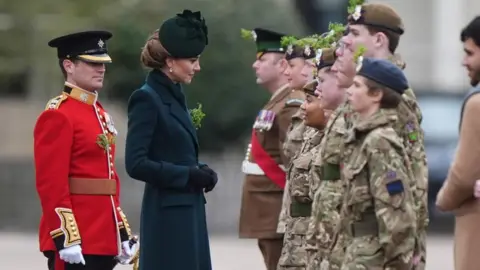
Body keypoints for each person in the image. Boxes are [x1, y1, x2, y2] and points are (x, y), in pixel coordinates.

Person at [34, 30, 137, 270]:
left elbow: (109, 178)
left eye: (103, 63)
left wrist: (120, 232)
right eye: (92, 63)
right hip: (77, 238)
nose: (101, 69)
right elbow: (51, 184)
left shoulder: (99, 113)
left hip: (102, 236)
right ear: (69, 65)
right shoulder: (58, 114)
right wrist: (66, 238)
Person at [124, 10, 216, 270]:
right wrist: (187, 175)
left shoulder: (173, 94)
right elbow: (136, 163)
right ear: (170, 61)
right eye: (192, 60)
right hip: (167, 215)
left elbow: (173, 151)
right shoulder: (147, 98)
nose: (197, 67)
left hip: (187, 211)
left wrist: (199, 170)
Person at [341, 3, 428, 267]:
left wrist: (409, 247)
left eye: (355, 34)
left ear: (379, 39)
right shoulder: (365, 83)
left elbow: (414, 171)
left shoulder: (396, 95)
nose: (346, 39)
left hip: (384, 244)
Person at [340, 57, 416, 269]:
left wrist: (397, 264)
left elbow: (396, 213)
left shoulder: (379, 141)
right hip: (358, 253)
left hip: (373, 259)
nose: (349, 91)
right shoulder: (364, 137)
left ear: (376, 94)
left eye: (357, 86)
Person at [238, 27, 305, 270]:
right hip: (267, 208)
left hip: (276, 209)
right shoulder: (276, 101)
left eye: (263, 60)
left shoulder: (289, 103)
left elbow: (295, 161)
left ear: (281, 66)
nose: (255, 66)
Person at [436, 16, 480, 270]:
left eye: (470, 53)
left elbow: (463, 176)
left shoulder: (476, 104)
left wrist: (444, 199)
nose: (465, 61)